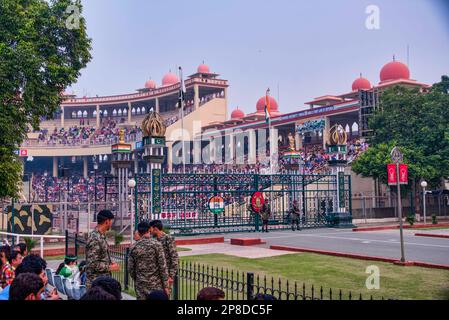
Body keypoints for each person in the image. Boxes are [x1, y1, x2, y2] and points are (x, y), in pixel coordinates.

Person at [129, 221, 169, 300]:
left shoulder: (134, 247)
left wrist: (138, 279)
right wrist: (166, 286)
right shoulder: (157, 245)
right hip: (156, 285)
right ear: (149, 230)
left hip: (141, 285)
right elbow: (162, 267)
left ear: (139, 232)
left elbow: (131, 268)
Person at [85, 210, 120, 288]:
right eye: (111, 221)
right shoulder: (95, 238)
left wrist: (109, 262)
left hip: (101, 282)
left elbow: (100, 257)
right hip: (96, 284)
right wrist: (110, 267)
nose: (111, 224)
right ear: (107, 221)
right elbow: (92, 264)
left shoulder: (100, 236)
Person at [149, 220, 179, 287]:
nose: (149, 231)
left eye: (150, 228)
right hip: (154, 274)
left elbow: (174, 257)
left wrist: (171, 275)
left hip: (165, 274)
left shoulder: (168, 238)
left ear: (155, 229)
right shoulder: (152, 239)